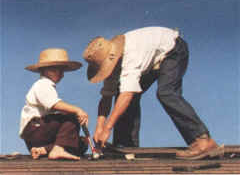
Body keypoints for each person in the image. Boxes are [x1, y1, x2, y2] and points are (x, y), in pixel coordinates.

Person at [82, 26, 224, 160]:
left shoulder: (131, 56)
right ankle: (125, 147)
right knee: (122, 95)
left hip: (173, 50)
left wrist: (108, 128)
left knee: (166, 93)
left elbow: (127, 94)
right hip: (153, 58)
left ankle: (203, 140)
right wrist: (99, 126)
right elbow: (106, 96)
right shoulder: (112, 63)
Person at [19, 48, 89, 160]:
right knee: (71, 116)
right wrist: (78, 110)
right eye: (56, 70)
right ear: (44, 71)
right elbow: (54, 104)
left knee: (81, 143)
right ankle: (58, 149)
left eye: (62, 70)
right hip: (36, 130)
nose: (61, 74)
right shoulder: (42, 84)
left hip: (38, 138)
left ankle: (43, 150)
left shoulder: (46, 85)